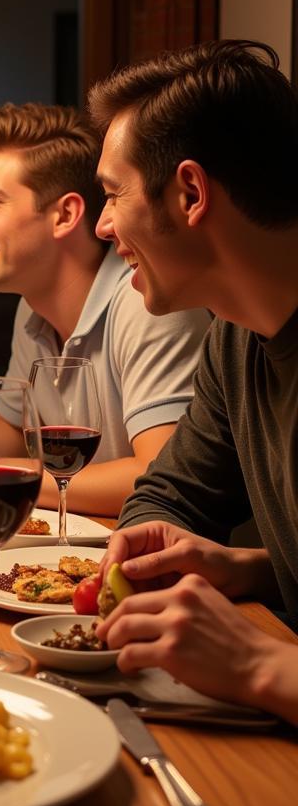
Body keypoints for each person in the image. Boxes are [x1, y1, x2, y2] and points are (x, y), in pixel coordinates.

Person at [86, 40, 298, 724]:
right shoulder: (236, 337)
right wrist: (244, 567)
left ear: (189, 193)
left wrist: (261, 664)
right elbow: (170, 494)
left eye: (113, 195)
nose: (103, 224)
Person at [0, 103, 210, 516]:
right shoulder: (31, 308)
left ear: (65, 215)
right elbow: (11, 430)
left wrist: (0, 473)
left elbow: (156, 474)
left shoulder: (149, 303)